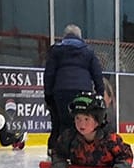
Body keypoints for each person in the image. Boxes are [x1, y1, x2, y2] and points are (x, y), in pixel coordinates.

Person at [43, 24, 105, 155]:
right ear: (80, 37)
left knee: (60, 121)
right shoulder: (88, 51)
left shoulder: (56, 50)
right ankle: (78, 153)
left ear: (64, 36)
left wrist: (48, 95)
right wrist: (100, 93)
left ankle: (55, 152)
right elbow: (97, 74)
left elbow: (49, 74)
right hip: (83, 92)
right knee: (80, 121)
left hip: (61, 91)